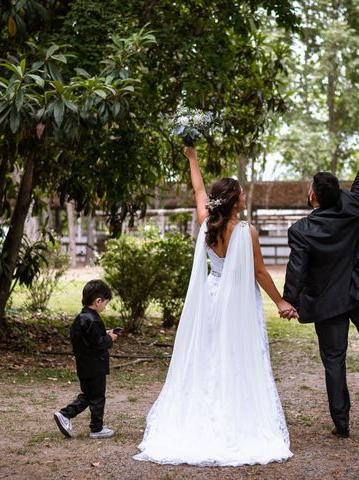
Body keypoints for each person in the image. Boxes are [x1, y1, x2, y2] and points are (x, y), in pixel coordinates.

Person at [133, 146, 294, 466]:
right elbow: (259, 272)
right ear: (234, 199)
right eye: (243, 194)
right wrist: (280, 301)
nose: (246, 197)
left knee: (208, 354)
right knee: (235, 354)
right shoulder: (247, 230)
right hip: (236, 301)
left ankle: (203, 409)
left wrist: (192, 159)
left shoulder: (208, 223)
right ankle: (233, 415)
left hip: (210, 296)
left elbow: (197, 189)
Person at [283, 118, 359, 439]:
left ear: (314, 198)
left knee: (334, 360)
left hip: (326, 302)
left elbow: (297, 269)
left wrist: (289, 300)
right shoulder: (353, 206)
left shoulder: (301, 230)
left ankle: (342, 423)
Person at [53, 279, 119, 439]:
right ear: (98, 301)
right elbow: (98, 344)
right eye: (105, 303)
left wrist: (105, 333)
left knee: (88, 396)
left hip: (83, 366)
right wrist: (110, 338)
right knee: (97, 397)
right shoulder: (94, 319)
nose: (105, 306)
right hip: (96, 367)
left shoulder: (80, 318)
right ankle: (96, 428)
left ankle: (65, 415)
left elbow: (87, 339)